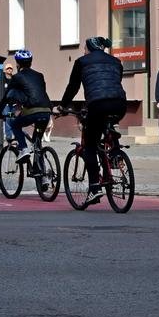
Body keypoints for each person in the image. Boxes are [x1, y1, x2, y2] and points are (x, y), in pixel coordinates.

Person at [60, 37, 127, 205]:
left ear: (89, 49)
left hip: (97, 105)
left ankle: (95, 188)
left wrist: (63, 105)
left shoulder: (81, 62)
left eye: (84, 48)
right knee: (107, 126)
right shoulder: (116, 61)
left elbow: (73, 87)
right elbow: (114, 83)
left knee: (89, 145)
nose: (83, 51)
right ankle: (115, 154)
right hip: (120, 104)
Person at [3, 50, 54, 186]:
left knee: (15, 125)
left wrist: (1, 111)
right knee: (38, 144)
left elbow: (9, 95)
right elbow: (39, 93)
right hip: (46, 111)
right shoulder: (39, 75)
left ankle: (24, 149)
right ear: (30, 62)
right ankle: (43, 177)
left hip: (32, 111)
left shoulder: (17, 77)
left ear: (18, 64)